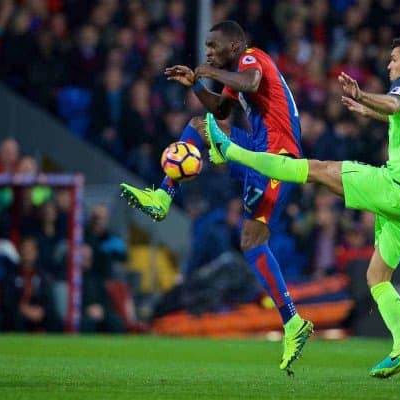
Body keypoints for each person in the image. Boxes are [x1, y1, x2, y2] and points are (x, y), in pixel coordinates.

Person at [205, 35, 400, 378]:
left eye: (394, 59)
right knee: (377, 277)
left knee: (316, 170)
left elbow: (396, 105)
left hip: (397, 187)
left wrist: (363, 95)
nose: (389, 65)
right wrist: (370, 111)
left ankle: (229, 151)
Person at [119, 21, 312, 374]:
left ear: (235, 45)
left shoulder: (253, 59)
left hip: (278, 158)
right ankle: (163, 197)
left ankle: (292, 321)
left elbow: (251, 83)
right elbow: (220, 111)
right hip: (259, 150)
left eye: (213, 46)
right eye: (206, 48)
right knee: (251, 239)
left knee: (253, 238)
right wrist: (197, 85)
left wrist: (207, 71)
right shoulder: (235, 75)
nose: (207, 52)